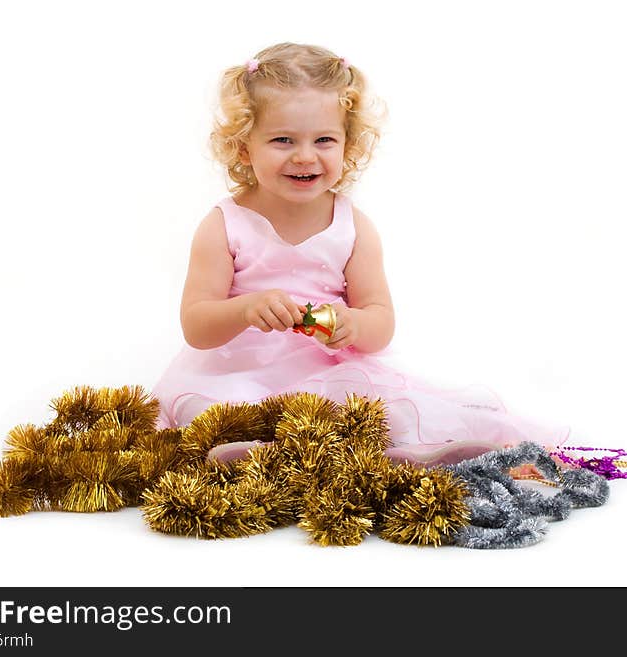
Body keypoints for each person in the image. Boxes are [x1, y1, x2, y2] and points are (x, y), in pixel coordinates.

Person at [151, 42, 570, 466]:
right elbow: (196, 325)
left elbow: (380, 321)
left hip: (326, 372)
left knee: (371, 408)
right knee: (212, 413)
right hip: (237, 373)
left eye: (324, 140)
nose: (305, 156)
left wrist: (353, 324)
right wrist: (245, 309)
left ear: (347, 145)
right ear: (244, 147)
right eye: (282, 140)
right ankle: (264, 452)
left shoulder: (352, 228)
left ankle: (406, 455)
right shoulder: (225, 224)